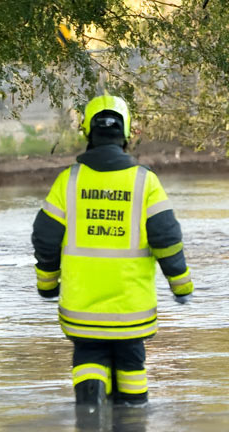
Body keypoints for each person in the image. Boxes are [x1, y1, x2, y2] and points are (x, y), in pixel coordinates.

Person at [31, 94, 194, 406]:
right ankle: (133, 427)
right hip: (131, 311)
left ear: (88, 132)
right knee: (132, 365)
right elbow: (167, 238)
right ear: (127, 132)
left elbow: (45, 238)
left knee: (88, 354)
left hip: (82, 308)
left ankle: (90, 395)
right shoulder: (145, 182)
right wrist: (181, 285)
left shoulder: (69, 181)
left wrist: (47, 285)